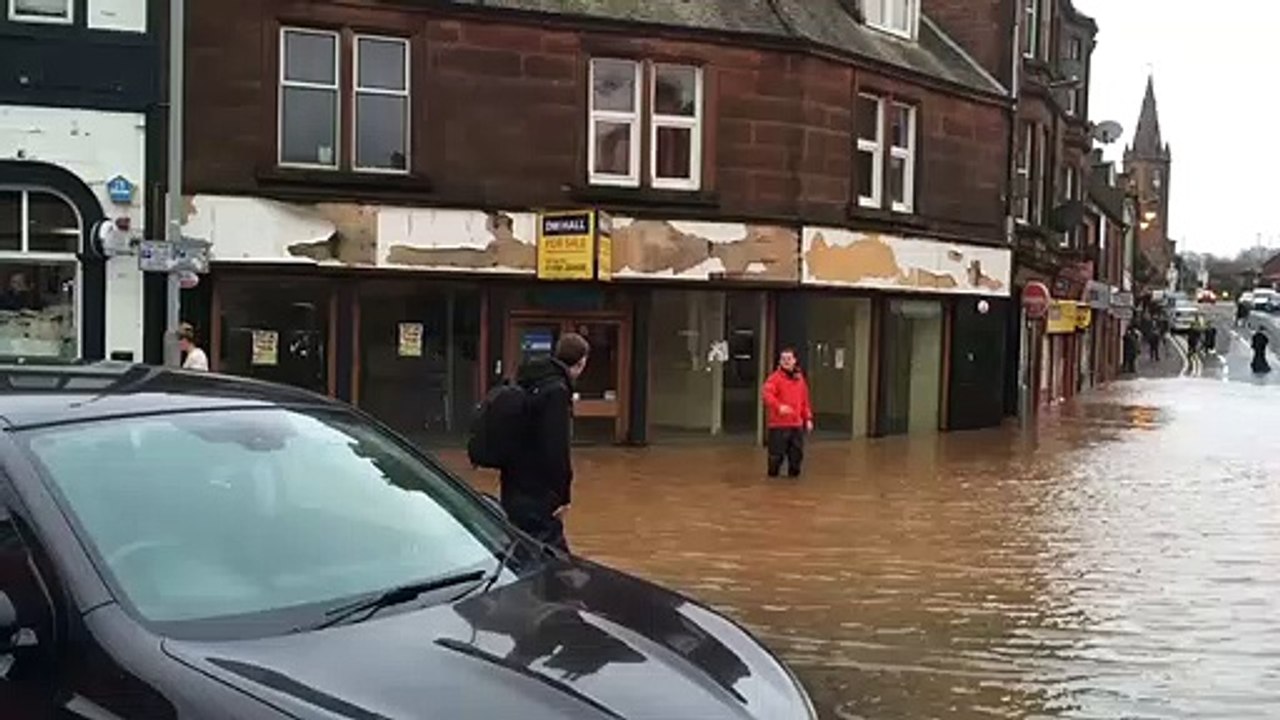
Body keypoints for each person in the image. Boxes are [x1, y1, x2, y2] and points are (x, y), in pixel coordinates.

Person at [499, 332, 589, 552]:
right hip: (538, 493)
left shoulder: (528, 381)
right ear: (580, 362)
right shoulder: (556, 392)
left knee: (521, 551)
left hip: (513, 485)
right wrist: (563, 496)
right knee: (555, 562)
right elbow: (556, 450)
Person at [761, 348, 813, 478]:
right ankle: (773, 484)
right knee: (776, 458)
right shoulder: (774, 379)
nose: (786, 361)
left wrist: (808, 418)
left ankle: (793, 483)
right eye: (783, 359)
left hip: (796, 425)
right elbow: (767, 395)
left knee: (796, 457)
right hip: (778, 425)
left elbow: (805, 401)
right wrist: (779, 407)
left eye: (789, 358)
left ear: (794, 360)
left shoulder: (800, 379)